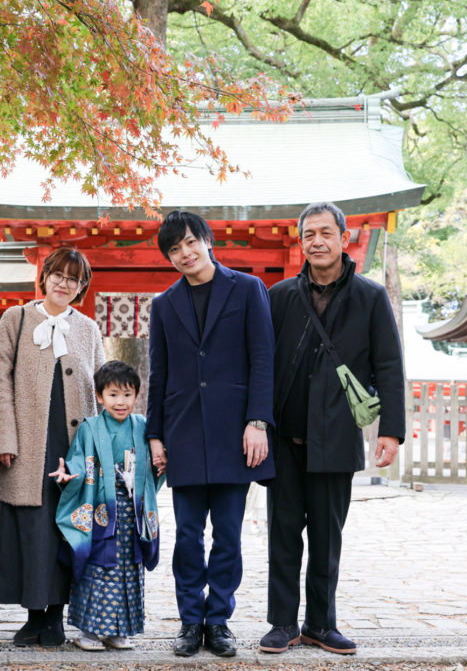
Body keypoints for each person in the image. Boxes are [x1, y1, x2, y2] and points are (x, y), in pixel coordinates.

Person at [259, 202, 404, 656]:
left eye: (325, 233)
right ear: (300, 242)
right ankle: (282, 623)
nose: (316, 242)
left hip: (337, 435)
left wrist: (391, 430)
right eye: (308, 235)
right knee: (283, 533)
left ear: (345, 238)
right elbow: (262, 364)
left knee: (326, 536)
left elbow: (388, 365)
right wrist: (257, 422)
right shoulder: (279, 295)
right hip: (285, 437)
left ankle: (321, 623)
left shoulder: (370, 296)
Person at [146, 210, 276, 658]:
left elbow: (263, 359)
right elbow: (158, 374)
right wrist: (155, 435)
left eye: (189, 242)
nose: (184, 253)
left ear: (207, 240)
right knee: (186, 535)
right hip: (182, 434)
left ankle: (218, 620)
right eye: (174, 249)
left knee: (228, 535)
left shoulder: (246, 289)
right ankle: (188, 621)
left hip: (234, 434)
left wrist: (257, 421)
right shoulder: (164, 305)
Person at [0, 246, 106, 647]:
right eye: (58, 274)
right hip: (28, 442)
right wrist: (2, 438)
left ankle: (56, 617)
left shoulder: (88, 329)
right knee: (32, 526)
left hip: (73, 443)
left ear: (81, 287)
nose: (63, 284)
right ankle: (34, 615)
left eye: (74, 279)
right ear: (45, 275)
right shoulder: (16, 318)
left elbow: (102, 386)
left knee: (67, 526)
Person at [50, 360, 164, 651]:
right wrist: (69, 475)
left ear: (137, 396)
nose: (121, 402)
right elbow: (79, 460)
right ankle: (89, 631)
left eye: (127, 394)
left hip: (132, 513)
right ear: (99, 396)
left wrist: (161, 464)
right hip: (101, 509)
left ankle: (118, 630)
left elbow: (154, 466)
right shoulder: (90, 428)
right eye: (113, 394)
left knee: (128, 569)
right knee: (97, 568)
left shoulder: (142, 427)